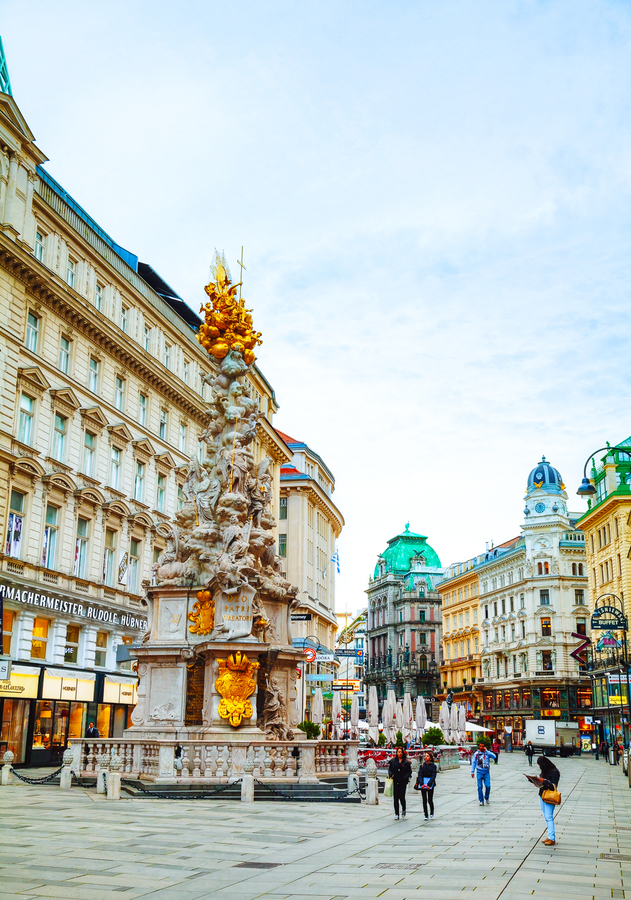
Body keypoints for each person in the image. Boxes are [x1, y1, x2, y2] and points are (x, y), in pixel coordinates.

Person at [536, 755, 560, 846]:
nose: (539, 767)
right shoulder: (544, 771)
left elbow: (553, 786)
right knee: (546, 817)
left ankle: (552, 838)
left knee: (549, 817)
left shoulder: (555, 772)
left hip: (550, 797)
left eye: (540, 765)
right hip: (542, 795)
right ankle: (550, 836)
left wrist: (544, 781)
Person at [388, 746, 412, 820]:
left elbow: (409, 771)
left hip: (403, 781)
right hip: (395, 780)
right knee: (395, 798)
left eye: (401, 752)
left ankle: (403, 808)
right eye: (398, 752)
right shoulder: (393, 761)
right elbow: (390, 769)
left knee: (402, 797)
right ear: (396, 753)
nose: (400, 753)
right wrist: (391, 775)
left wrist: (405, 777)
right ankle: (396, 813)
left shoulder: (406, 762)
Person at [470, 741, 496, 805]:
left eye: (483, 746)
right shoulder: (476, 754)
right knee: (479, 786)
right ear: (479, 746)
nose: (481, 747)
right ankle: (481, 800)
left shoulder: (487, 753)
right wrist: (472, 771)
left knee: (488, 786)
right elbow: (473, 763)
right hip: (479, 772)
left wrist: (487, 751)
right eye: (480, 746)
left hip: (486, 772)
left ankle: (486, 797)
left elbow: (494, 756)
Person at [416, 751, 438, 821]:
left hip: (430, 784)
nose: (426, 757)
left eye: (427, 756)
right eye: (425, 756)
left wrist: (429, 784)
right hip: (423, 783)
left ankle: (432, 811)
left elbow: (433, 776)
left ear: (430, 758)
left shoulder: (433, 766)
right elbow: (420, 775)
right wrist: (421, 784)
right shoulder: (422, 766)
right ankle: (426, 814)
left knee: (430, 799)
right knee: (424, 800)